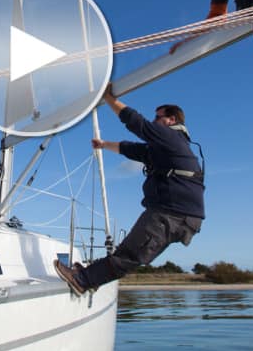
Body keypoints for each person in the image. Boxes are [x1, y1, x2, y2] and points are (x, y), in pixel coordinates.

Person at [53, 83, 204, 295]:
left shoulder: (171, 138)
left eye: (158, 118)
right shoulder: (166, 148)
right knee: (129, 251)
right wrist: (104, 144)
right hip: (177, 214)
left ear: (172, 120)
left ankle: (83, 280)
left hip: (173, 214)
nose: (154, 121)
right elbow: (132, 150)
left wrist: (109, 98)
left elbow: (137, 123)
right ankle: (90, 276)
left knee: (131, 254)